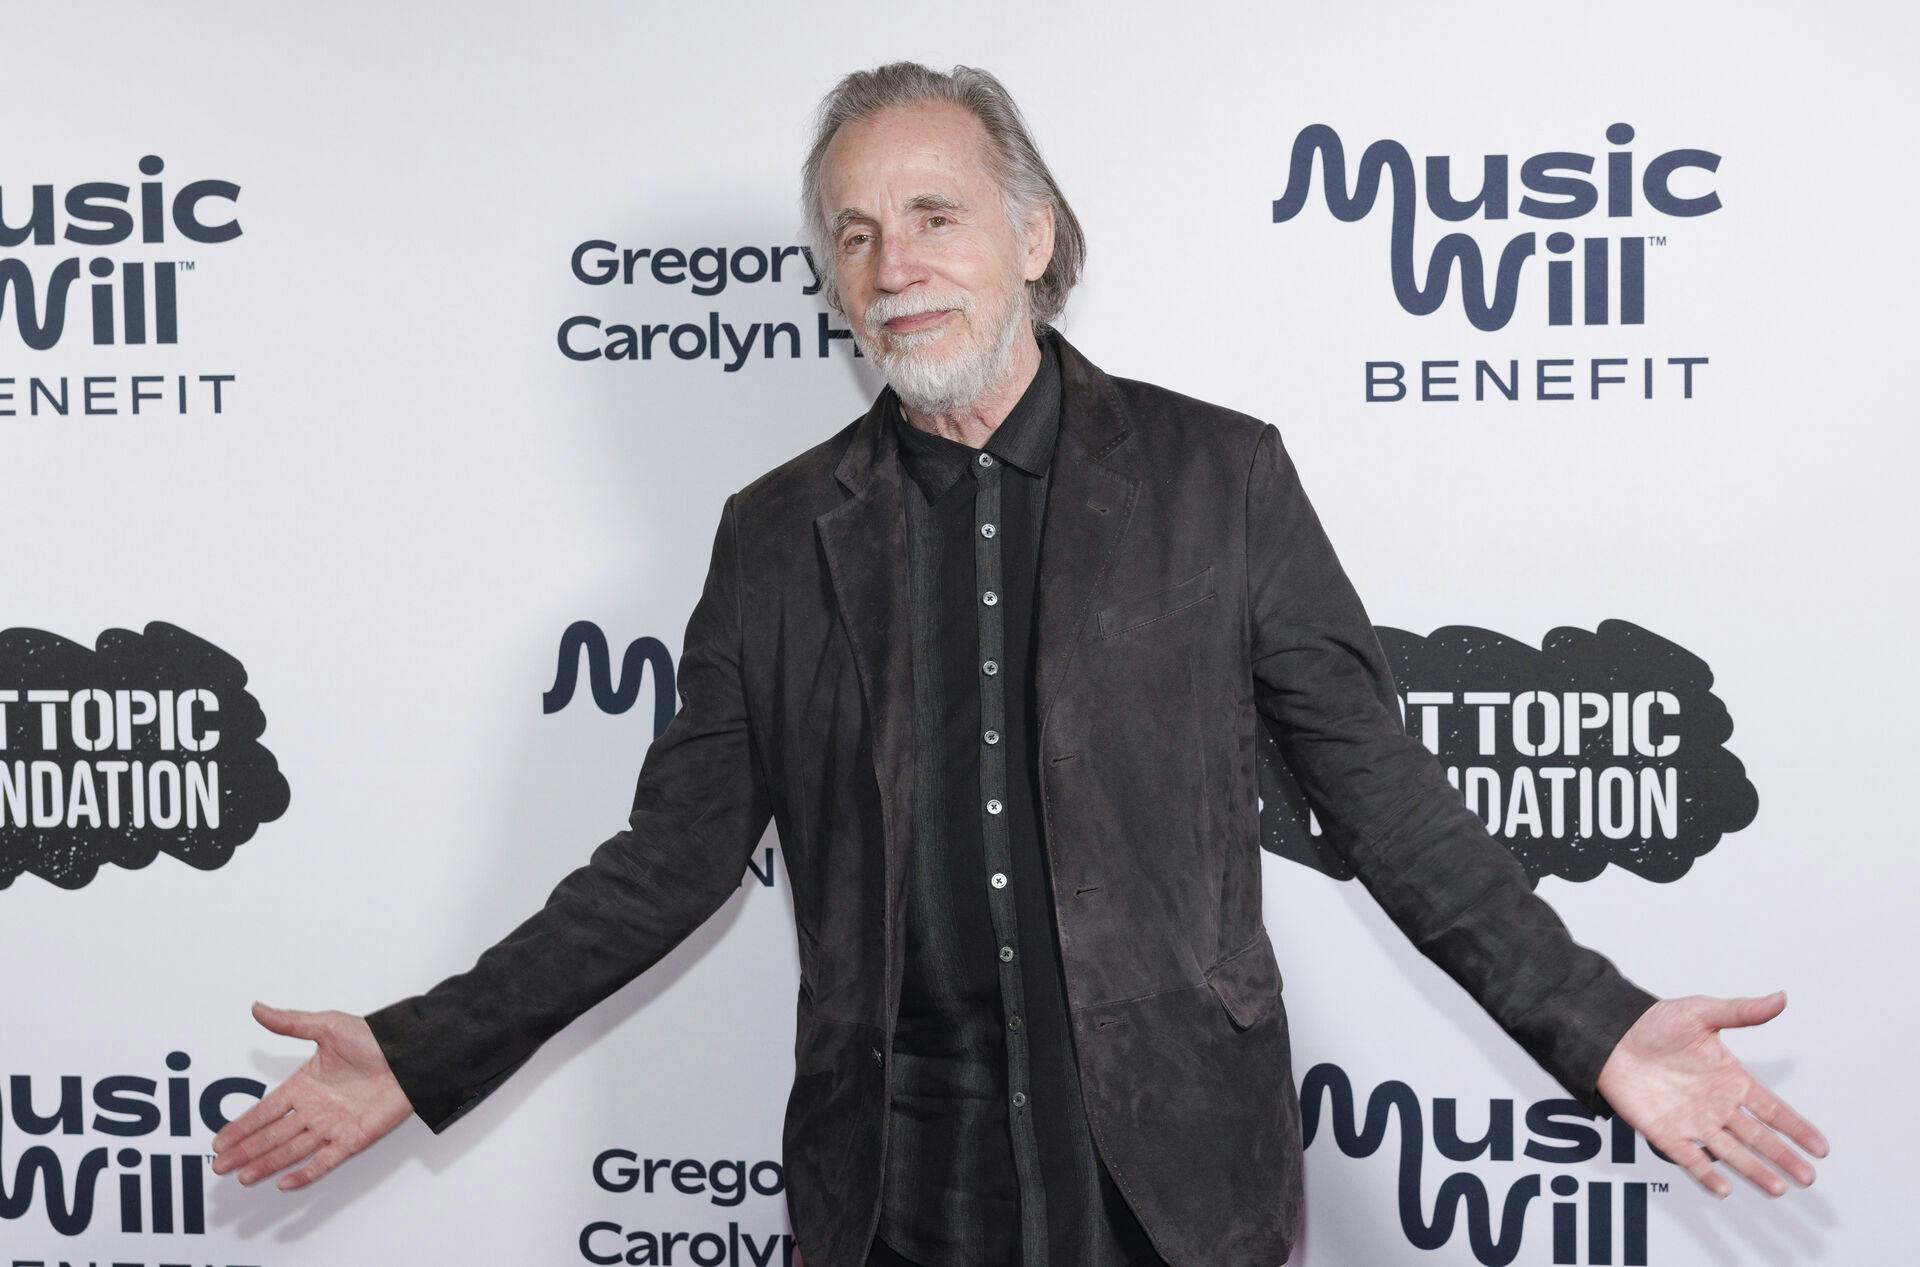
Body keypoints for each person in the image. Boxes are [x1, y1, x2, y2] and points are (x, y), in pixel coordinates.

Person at [209, 62, 1829, 1266]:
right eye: (852, 234)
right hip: (899, 1192)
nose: (891, 261)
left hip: (1174, 1187)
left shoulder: (1222, 480)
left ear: (1034, 232)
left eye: (931, 213)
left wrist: (1600, 1027)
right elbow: (666, 865)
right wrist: (424, 1051)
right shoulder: (776, 538)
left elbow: (1390, 808)